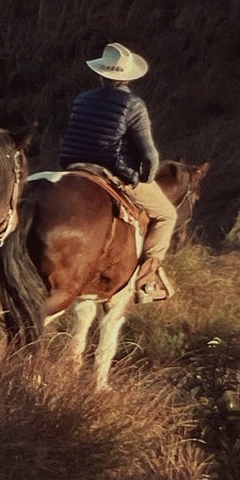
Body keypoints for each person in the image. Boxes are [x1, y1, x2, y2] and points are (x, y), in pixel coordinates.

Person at [59, 41, 177, 300]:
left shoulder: (82, 98)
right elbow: (149, 154)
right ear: (127, 77)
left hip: (74, 164)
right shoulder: (133, 105)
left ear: (101, 74)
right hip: (114, 170)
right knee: (167, 215)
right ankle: (146, 282)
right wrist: (143, 177)